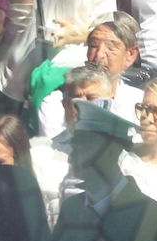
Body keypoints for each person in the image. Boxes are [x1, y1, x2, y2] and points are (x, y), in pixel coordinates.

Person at [41, 100, 157, 241]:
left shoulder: (154, 217)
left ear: (111, 150)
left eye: (83, 147)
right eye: (74, 147)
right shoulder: (72, 208)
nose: (73, 157)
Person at [28, 64, 116, 225]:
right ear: (64, 105)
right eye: (75, 99)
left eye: (91, 98)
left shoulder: (129, 155)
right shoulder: (38, 156)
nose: (82, 107)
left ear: (109, 103)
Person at [37, 13, 146, 134]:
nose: (99, 55)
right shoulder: (56, 104)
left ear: (130, 55)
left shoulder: (140, 102)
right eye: (94, 45)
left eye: (110, 47)